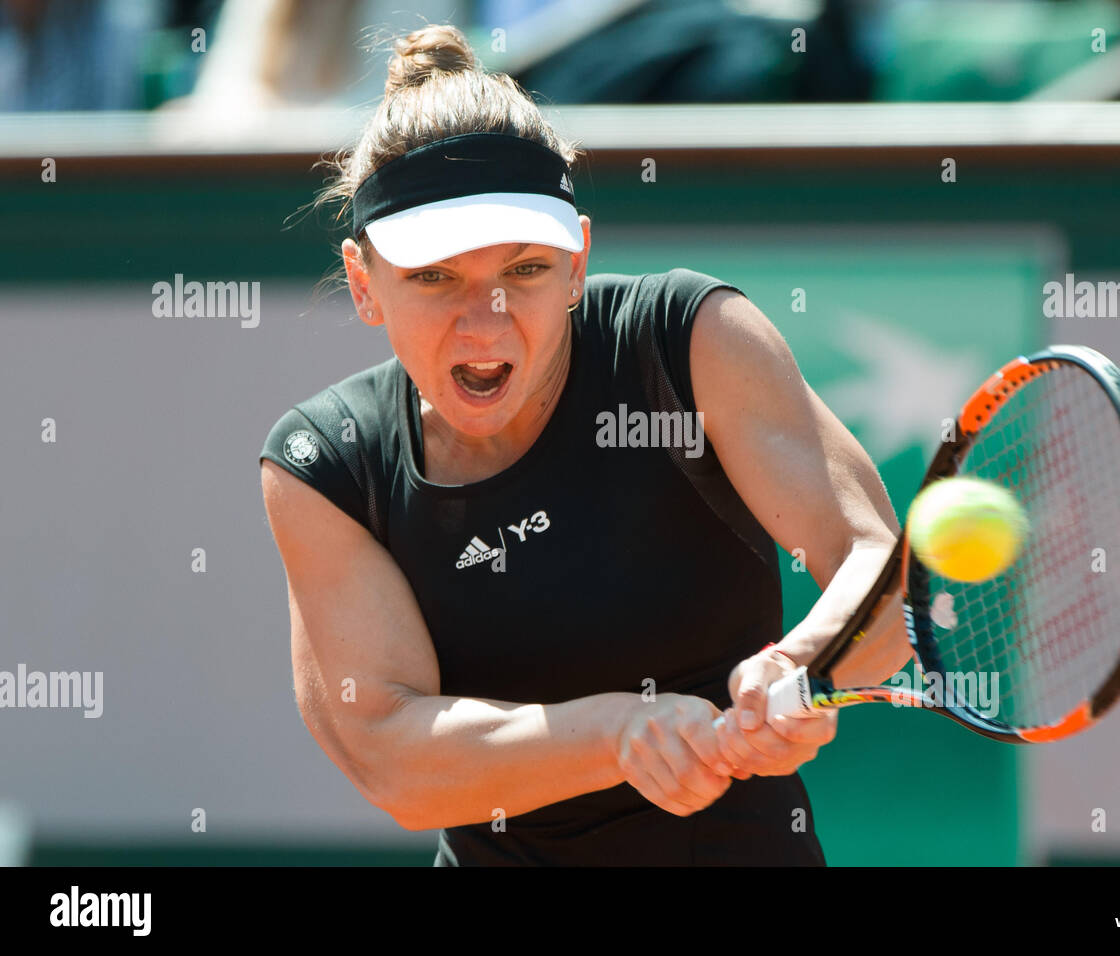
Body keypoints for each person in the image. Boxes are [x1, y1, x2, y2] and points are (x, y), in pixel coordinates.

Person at [258, 22, 908, 866]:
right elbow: (393, 760)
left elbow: (878, 572)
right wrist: (620, 734)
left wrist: (802, 668)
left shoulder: (688, 338)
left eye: (525, 269)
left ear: (577, 262)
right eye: (436, 277)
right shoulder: (327, 464)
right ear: (362, 284)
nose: (484, 319)